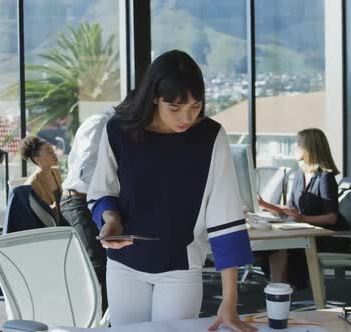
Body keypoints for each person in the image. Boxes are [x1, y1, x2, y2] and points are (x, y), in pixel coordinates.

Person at [87, 50, 257, 332]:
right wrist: (110, 219)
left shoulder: (211, 137)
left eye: (195, 106)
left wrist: (230, 300)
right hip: (123, 266)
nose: (187, 118)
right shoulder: (118, 130)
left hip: (180, 267)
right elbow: (102, 190)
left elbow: (225, 218)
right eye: (175, 108)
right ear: (155, 96)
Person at [257, 128, 350, 288]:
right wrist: (263, 204)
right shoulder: (301, 174)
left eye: (298, 144)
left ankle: (282, 294)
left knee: (281, 245)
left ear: (310, 148)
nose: (295, 147)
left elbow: (331, 217)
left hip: (327, 236)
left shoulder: (325, 178)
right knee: (275, 244)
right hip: (306, 229)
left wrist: (303, 219)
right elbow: (290, 209)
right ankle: (280, 293)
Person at [60, 109, 115, 311]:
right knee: (99, 266)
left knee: (113, 262)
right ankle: (98, 320)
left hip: (95, 201)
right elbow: (86, 172)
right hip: (78, 201)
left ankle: (110, 319)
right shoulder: (100, 122)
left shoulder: (117, 125)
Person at [19, 135, 65, 225]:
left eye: (53, 151)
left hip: (64, 221)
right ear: (37, 159)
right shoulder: (32, 184)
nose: (54, 154)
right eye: (49, 152)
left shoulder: (55, 172)